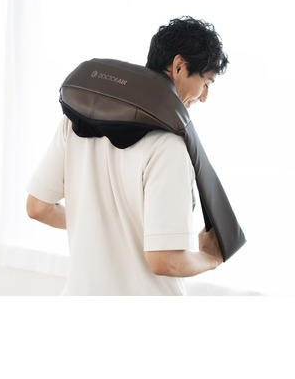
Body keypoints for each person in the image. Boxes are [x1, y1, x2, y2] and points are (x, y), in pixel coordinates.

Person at [26, 16, 229, 295]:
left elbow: (38, 207)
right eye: (205, 82)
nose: (204, 96)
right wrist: (211, 258)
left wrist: (99, 221)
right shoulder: (168, 145)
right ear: (179, 66)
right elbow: (165, 260)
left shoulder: (75, 122)